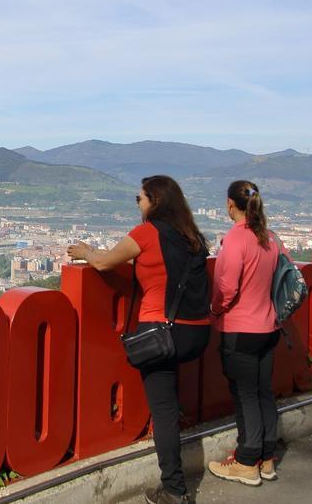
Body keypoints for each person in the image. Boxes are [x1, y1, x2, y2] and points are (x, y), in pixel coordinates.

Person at [67, 175, 210, 504]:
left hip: (162, 333)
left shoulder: (147, 232)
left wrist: (85, 251)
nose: (138, 203)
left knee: (163, 411)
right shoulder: (192, 237)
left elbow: (104, 262)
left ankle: (174, 490)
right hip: (196, 332)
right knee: (171, 401)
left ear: (154, 201)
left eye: (139, 198)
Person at [207, 180, 283, 486]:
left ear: (229, 204)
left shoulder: (236, 238)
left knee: (245, 395)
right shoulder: (270, 236)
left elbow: (227, 287)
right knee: (263, 391)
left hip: (241, 329)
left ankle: (246, 462)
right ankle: (266, 457)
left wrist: (214, 310)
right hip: (270, 327)